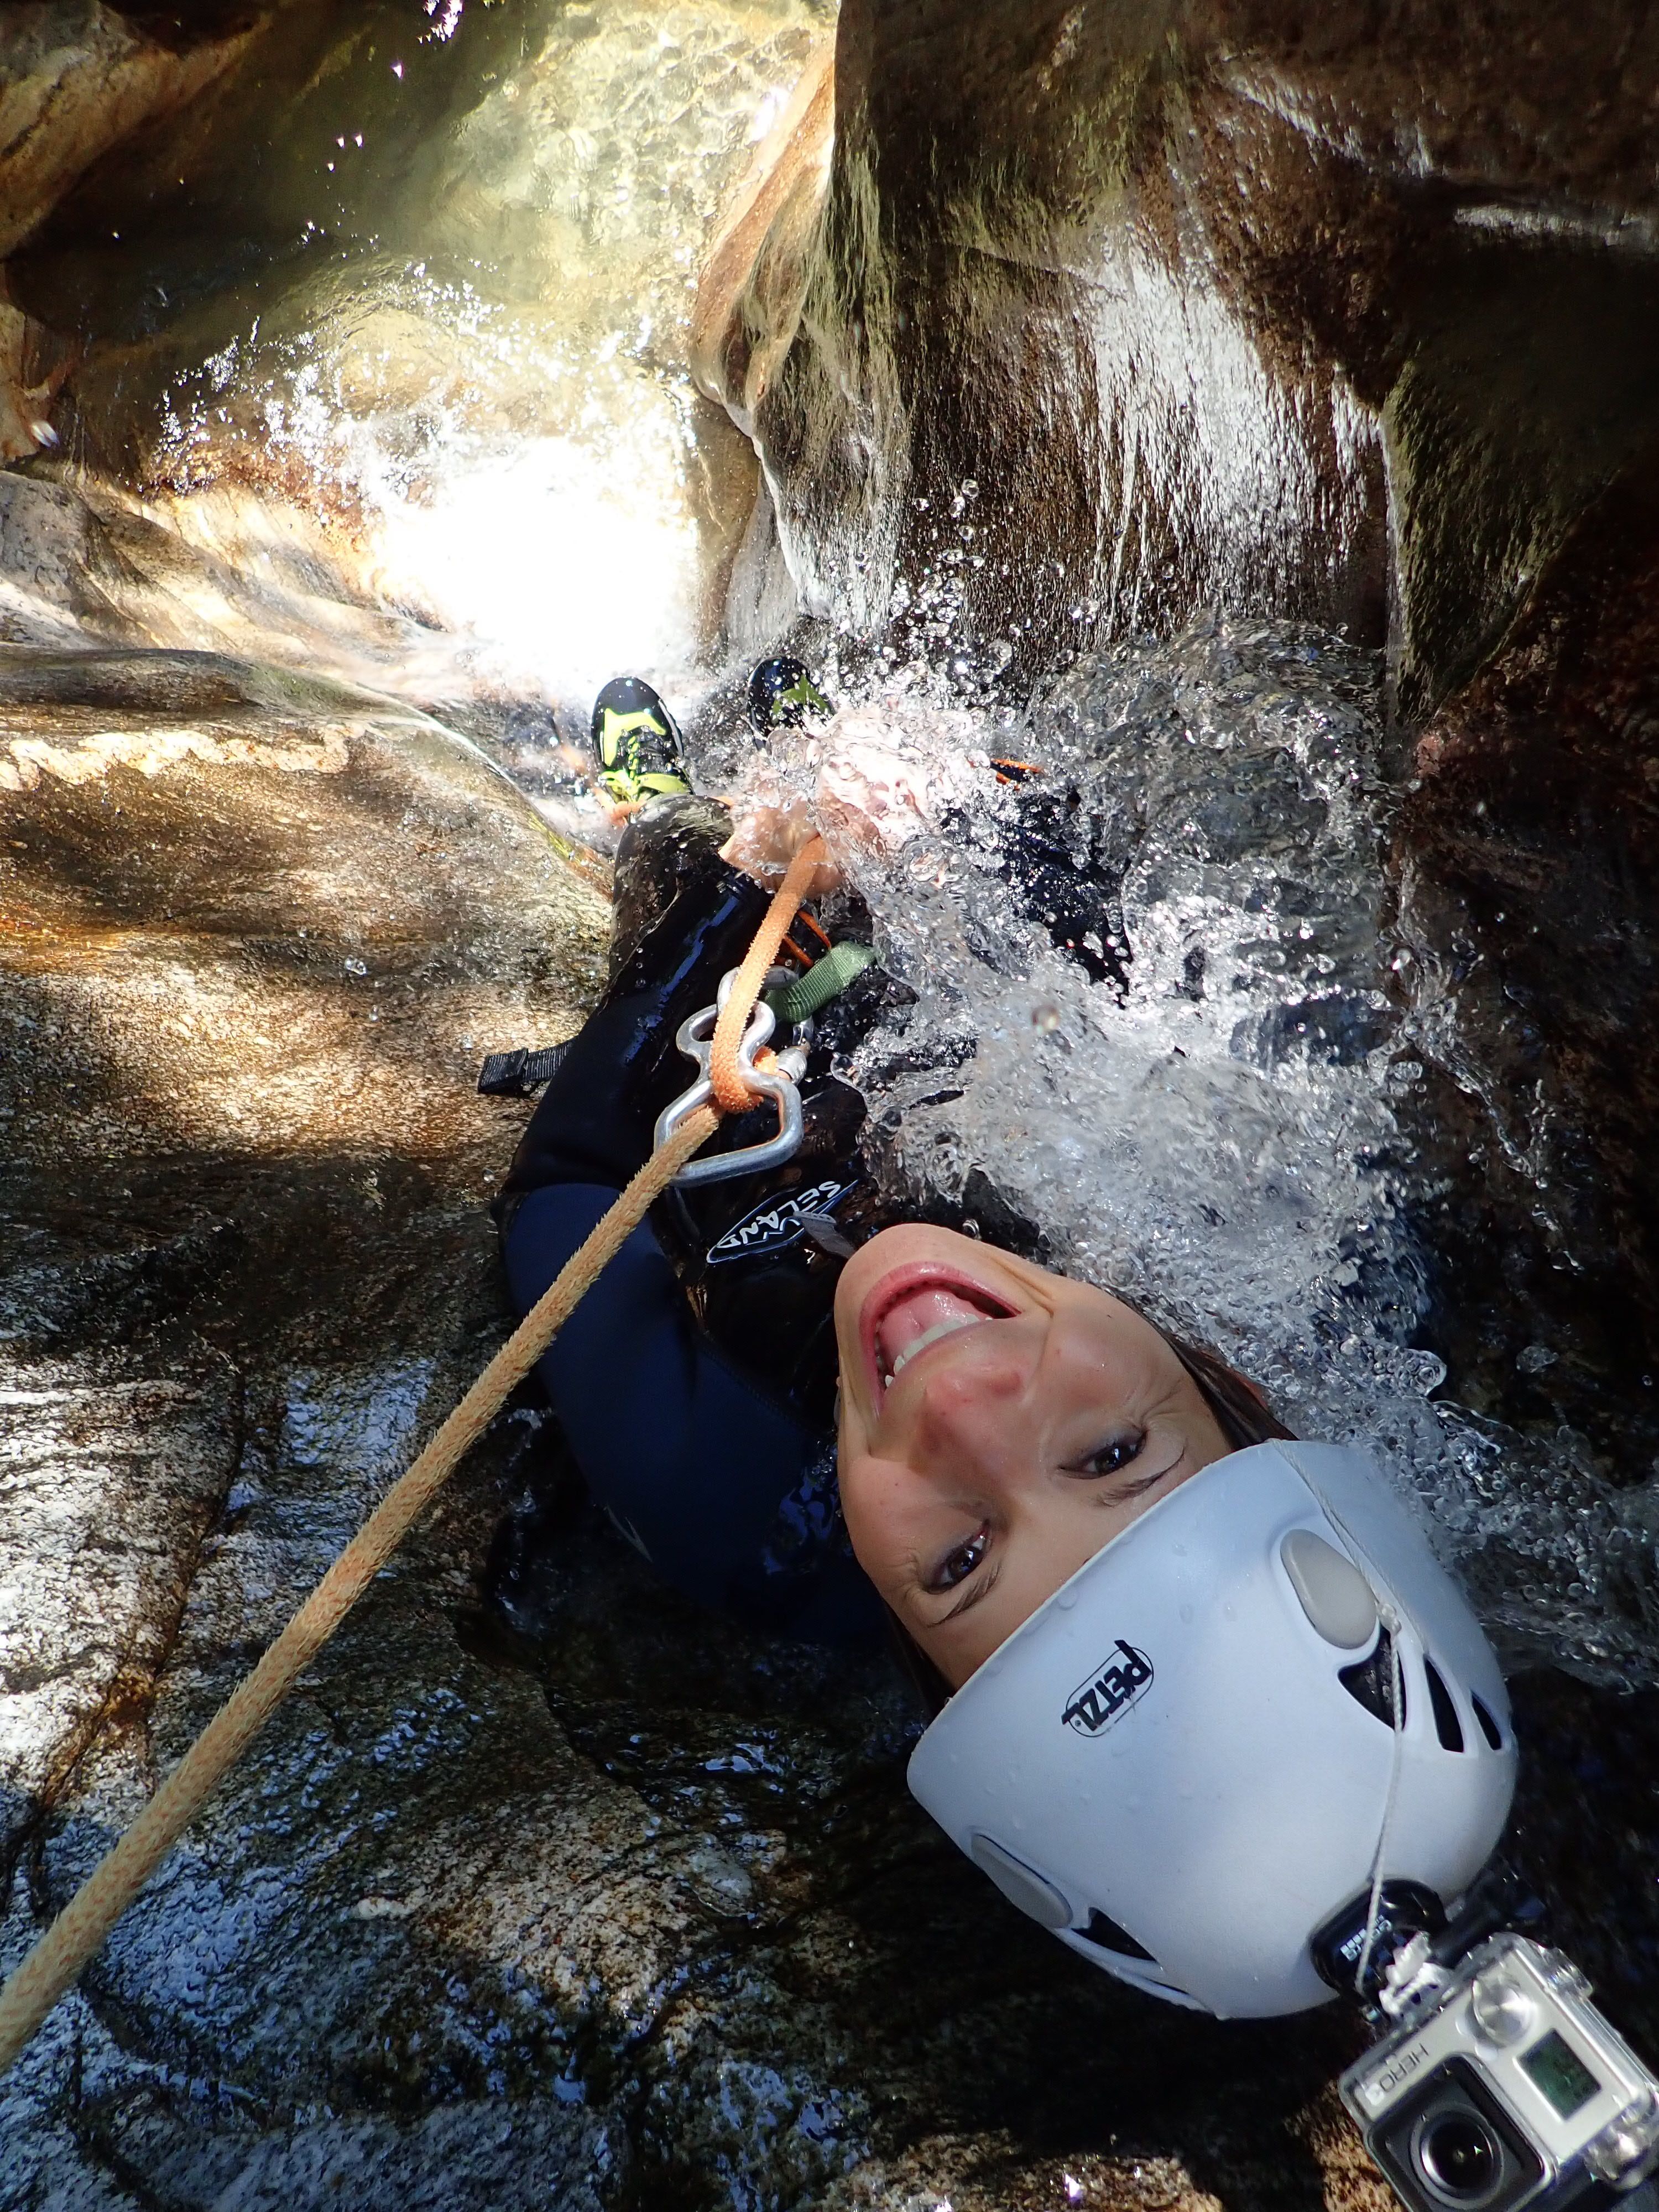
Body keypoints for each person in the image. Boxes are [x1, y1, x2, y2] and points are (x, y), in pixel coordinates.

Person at [489, 660, 1517, 2018]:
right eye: (1113, 1453)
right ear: (1241, 1403)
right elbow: (1135, 925)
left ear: (917, 1661)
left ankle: (659, 801)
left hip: (746, 1030)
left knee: (680, 855)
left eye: (962, 1561)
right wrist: (945, 823)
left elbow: (564, 1181)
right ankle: (808, 728)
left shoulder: (732, 1510)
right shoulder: (1281, 1239)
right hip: (899, 959)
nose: (963, 1402)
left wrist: (739, 902)